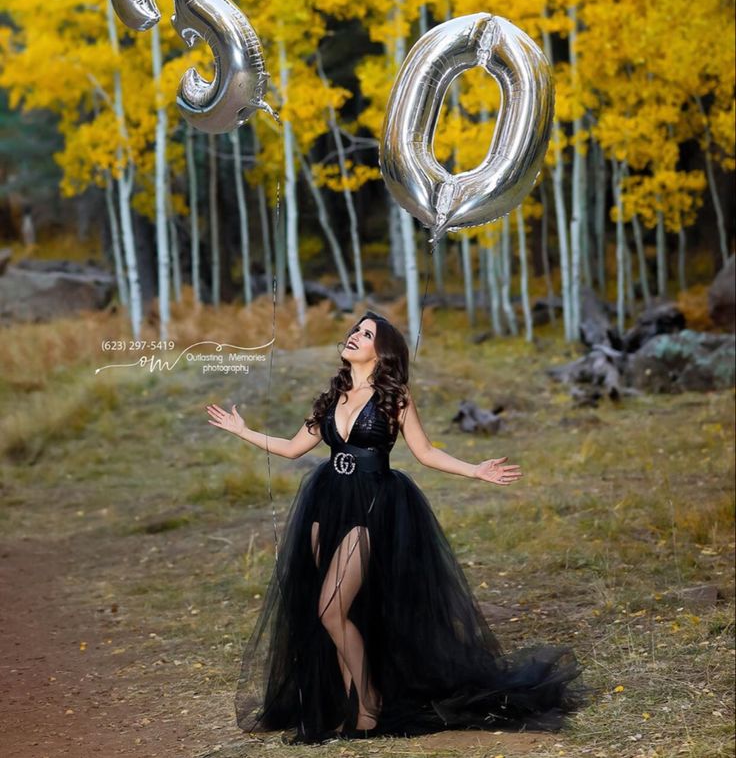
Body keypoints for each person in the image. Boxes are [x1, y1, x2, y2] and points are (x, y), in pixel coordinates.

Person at [205, 310, 591, 744]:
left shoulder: (396, 397)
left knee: (331, 608)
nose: (354, 336)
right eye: (355, 330)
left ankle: (369, 706)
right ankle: (350, 703)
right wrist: (243, 430)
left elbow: (425, 453)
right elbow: (295, 448)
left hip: (373, 504)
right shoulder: (333, 395)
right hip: (326, 501)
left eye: (366, 334)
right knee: (333, 612)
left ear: (382, 350)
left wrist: (475, 470)